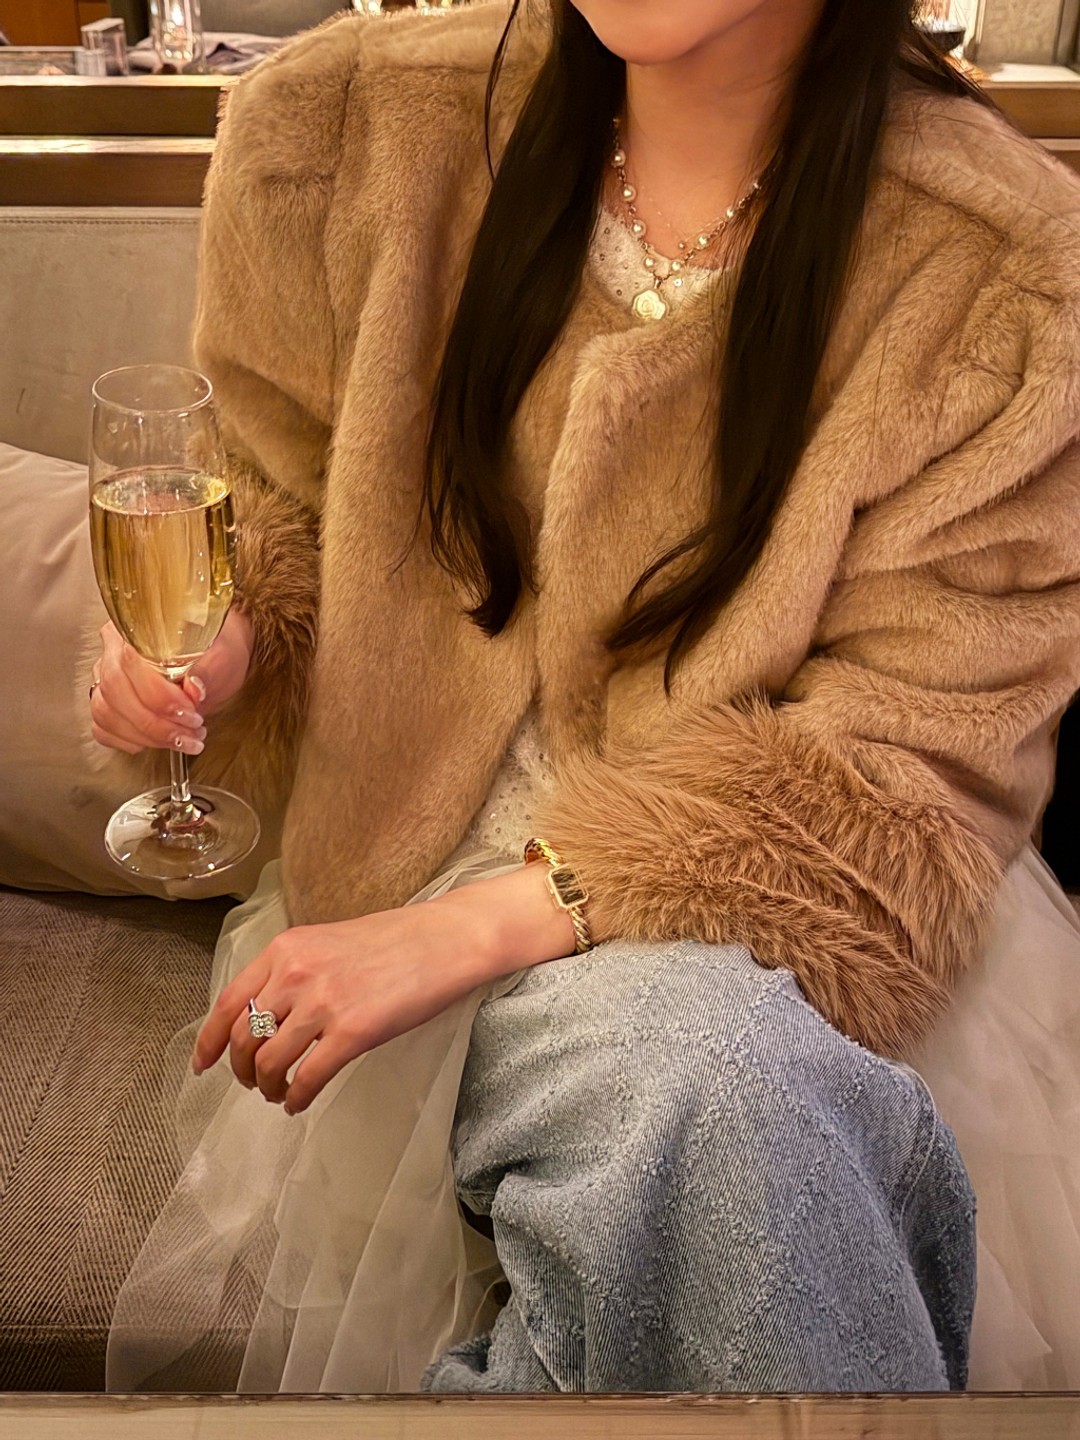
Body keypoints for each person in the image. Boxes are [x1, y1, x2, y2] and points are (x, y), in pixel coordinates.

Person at [89, 0, 1080, 1394]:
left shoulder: (1002, 271)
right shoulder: (353, 133)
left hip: (762, 930)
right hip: (402, 864)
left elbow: (912, 772)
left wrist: (486, 924)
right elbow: (278, 494)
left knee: (709, 1080)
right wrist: (237, 632)